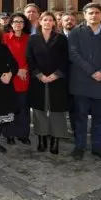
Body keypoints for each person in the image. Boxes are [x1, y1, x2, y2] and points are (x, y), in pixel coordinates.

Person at [68, 3, 101, 162]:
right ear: (84, 15)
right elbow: (73, 54)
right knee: (80, 118)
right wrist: (92, 71)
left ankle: (98, 147)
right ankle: (80, 146)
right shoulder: (76, 32)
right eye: (90, 13)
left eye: (97, 12)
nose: (94, 15)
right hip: (82, 81)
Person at [27, 12, 70, 155]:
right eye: (44, 20)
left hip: (56, 79)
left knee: (56, 111)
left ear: (54, 23)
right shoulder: (33, 39)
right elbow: (29, 59)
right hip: (38, 79)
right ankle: (41, 138)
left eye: (50, 20)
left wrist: (56, 75)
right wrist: (38, 74)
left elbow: (66, 59)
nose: (47, 22)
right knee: (39, 110)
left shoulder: (61, 39)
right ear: (39, 21)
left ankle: (55, 140)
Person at [2, 13, 32, 145]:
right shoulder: (4, 38)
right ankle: (9, 134)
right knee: (9, 107)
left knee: (23, 107)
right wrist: (17, 70)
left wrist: (24, 68)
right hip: (9, 77)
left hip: (25, 77)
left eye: (21, 22)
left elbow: (33, 57)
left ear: (24, 24)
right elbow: (1, 58)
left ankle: (23, 134)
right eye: (15, 21)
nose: (18, 24)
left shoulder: (30, 39)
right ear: (11, 24)